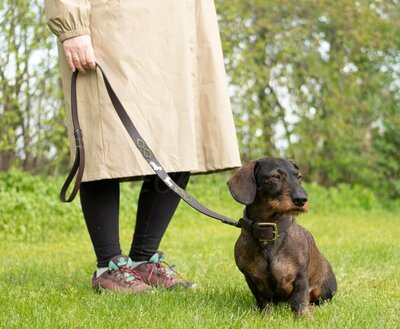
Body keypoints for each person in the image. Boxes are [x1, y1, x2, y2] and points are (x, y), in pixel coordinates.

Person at [44, 0, 241, 293]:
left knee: (179, 139)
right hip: (113, 26)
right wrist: (72, 28)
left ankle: (143, 260)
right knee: (104, 138)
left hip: (182, 26)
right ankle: (108, 265)